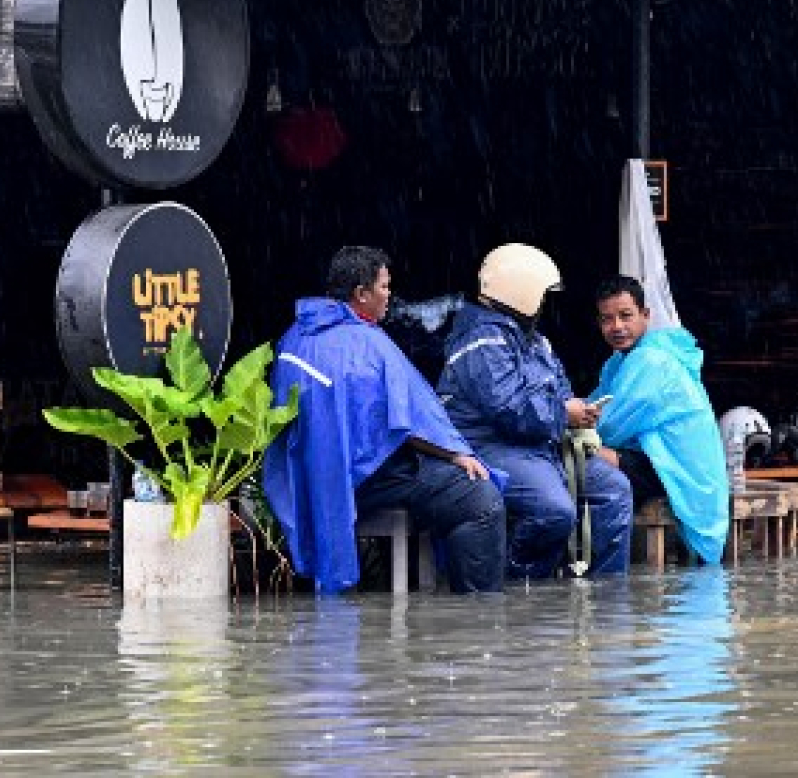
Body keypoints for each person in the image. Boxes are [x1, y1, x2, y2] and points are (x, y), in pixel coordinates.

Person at [262, 246, 507, 594]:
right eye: (384, 287)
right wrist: (454, 454)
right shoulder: (367, 344)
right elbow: (404, 423)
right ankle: (479, 622)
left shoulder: (295, 337)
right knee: (480, 499)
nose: (389, 296)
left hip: (303, 483)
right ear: (361, 294)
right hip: (360, 481)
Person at [438, 243, 633, 580]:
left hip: (541, 446)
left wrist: (579, 412)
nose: (545, 302)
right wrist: (562, 414)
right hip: (491, 448)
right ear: (522, 290)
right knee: (554, 511)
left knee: (614, 490)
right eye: (542, 293)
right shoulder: (481, 340)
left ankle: (604, 600)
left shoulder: (536, 341)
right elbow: (506, 409)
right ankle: (517, 587)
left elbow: (559, 388)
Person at [588, 275, 729, 564]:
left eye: (626, 316)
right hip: (658, 461)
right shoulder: (618, 363)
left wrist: (567, 424)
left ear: (645, 315)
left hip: (681, 472)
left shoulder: (652, 361)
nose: (617, 327)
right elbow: (594, 405)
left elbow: (608, 426)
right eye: (607, 319)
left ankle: (600, 569)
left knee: (586, 452)